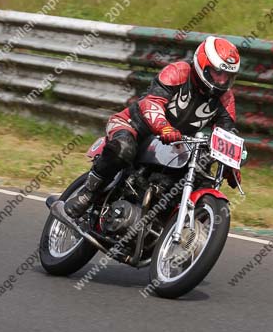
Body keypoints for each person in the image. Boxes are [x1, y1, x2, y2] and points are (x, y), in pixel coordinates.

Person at [63, 36, 242, 218]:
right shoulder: (178, 71)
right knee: (123, 149)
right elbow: (151, 103)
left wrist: (230, 164)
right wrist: (164, 127)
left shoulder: (226, 99)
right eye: (217, 73)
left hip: (177, 143)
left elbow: (226, 132)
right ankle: (87, 194)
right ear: (202, 65)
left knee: (201, 178)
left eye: (228, 76)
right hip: (134, 125)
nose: (222, 81)